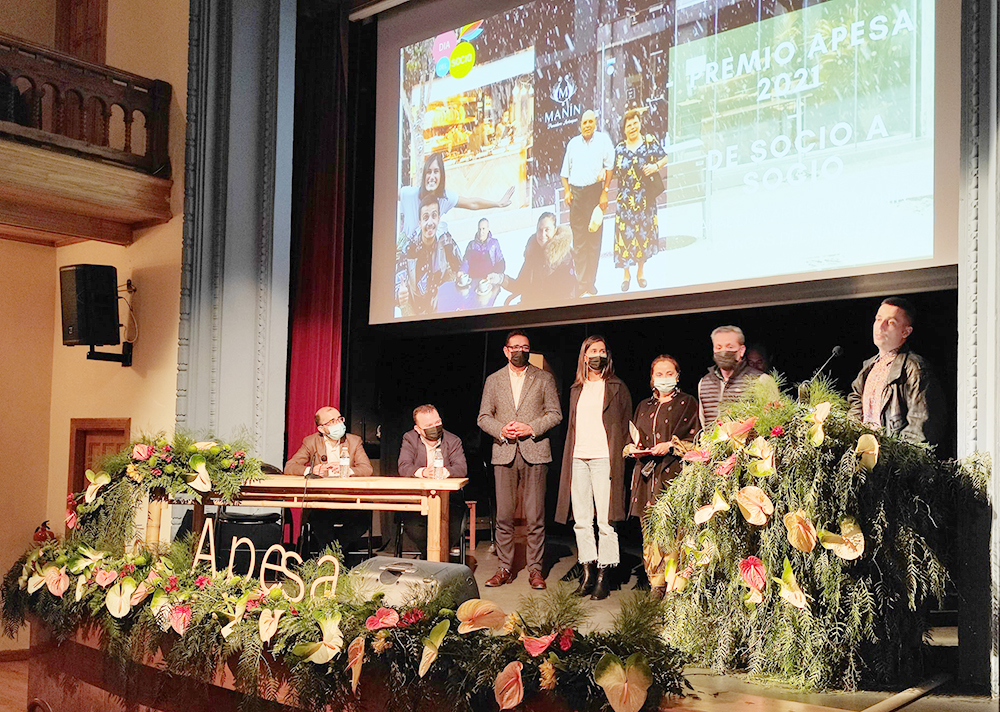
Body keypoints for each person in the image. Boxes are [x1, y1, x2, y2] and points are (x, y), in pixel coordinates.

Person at [477, 330, 563, 589]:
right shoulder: (494, 380)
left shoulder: (543, 378)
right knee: (504, 516)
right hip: (504, 452)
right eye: (514, 347)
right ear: (505, 351)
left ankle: (535, 570)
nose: (519, 351)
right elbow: (483, 417)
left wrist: (531, 427)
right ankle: (504, 567)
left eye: (524, 347)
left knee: (535, 515)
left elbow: (555, 414)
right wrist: (501, 429)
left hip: (535, 451)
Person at [555, 336, 632, 600]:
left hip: (604, 459)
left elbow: (624, 427)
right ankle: (587, 572)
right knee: (581, 521)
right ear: (584, 356)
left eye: (601, 351)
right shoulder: (577, 388)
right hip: (578, 458)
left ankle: (604, 575)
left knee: (606, 521)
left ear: (607, 356)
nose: (597, 355)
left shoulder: (617, 387)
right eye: (592, 351)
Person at [625, 355, 699, 600]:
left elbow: (697, 440)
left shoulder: (688, 403)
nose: (664, 378)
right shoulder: (644, 406)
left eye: (669, 374)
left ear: (677, 376)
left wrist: (671, 445)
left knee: (675, 531)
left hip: (674, 473)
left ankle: (674, 586)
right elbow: (635, 436)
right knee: (651, 532)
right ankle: (655, 583)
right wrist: (633, 449)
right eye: (659, 374)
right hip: (647, 476)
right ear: (651, 378)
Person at [847, 297, 945, 446]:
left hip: (893, 461)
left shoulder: (914, 368)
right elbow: (855, 409)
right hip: (864, 459)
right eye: (878, 319)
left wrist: (895, 460)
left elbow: (921, 427)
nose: (880, 326)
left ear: (906, 331)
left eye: (891, 322)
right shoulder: (868, 368)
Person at [284, 406, 374, 555]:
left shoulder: (354, 441)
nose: (338, 423)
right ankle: (333, 559)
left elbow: (367, 469)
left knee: (361, 522)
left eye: (339, 419)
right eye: (332, 421)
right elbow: (290, 467)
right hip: (323, 501)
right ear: (321, 428)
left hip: (349, 501)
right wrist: (311, 470)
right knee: (319, 521)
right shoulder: (311, 442)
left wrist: (347, 470)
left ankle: (331, 555)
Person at [397, 404, 469, 557]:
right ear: (418, 429)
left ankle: (434, 561)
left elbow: (461, 469)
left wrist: (445, 471)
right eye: (429, 426)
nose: (435, 428)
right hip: (418, 500)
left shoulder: (453, 441)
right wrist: (423, 472)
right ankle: (431, 558)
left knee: (450, 530)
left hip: (450, 502)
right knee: (416, 529)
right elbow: (404, 467)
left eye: (437, 423)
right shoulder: (409, 438)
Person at [398, 152, 514, 240]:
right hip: (408, 258)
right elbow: (385, 195)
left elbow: (472, 203)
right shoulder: (409, 194)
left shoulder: (444, 198)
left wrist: (497, 203)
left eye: (436, 171)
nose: (432, 176)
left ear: (441, 175)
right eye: (429, 172)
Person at [612, 108, 667, 292]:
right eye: (629, 125)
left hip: (645, 199)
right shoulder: (619, 149)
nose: (632, 127)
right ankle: (626, 274)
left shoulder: (649, 142)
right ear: (624, 129)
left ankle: (640, 272)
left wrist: (655, 166)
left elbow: (664, 156)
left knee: (643, 235)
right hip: (625, 201)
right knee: (625, 237)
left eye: (635, 123)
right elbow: (610, 171)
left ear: (640, 124)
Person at [560, 110, 614, 296]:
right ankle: (582, 283)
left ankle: (591, 282)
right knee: (580, 241)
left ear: (595, 123)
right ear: (580, 125)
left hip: (594, 194)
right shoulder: (573, 144)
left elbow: (610, 167)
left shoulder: (603, 141)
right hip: (576, 196)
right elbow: (564, 174)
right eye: (584, 122)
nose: (587, 125)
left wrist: (605, 192)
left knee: (594, 241)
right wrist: (567, 191)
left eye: (591, 121)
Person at [396, 194, 462, 314]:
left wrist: (459, 275)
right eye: (426, 218)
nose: (430, 222)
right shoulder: (409, 248)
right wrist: (399, 293)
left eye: (434, 216)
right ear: (420, 223)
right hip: (416, 306)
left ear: (438, 219)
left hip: (440, 301)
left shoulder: (445, 240)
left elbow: (460, 266)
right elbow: (398, 281)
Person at [697, 325, 764, 429]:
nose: (723, 351)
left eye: (730, 347)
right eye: (718, 347)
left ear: (741, 350)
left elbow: (771, 421)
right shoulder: (705, 383)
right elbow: (703, 422)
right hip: (713, 444)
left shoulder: (759, 380)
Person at [505, 213, 576, 307]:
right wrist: (501, 279)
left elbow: (569, 294)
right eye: (540, 230)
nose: (542, 234)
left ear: (555, 231)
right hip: (529, 309)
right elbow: (520, 285)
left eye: (547, 230)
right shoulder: (532, 253)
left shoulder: (564, 257)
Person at [460, 218, 506, 282]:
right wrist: (462, 271)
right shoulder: (471, 245)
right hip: (474, 279)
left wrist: (496, 275)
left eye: (483, 229)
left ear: (488, 229)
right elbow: (466, 262)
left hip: (489, 280)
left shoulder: (494, 243)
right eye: (479, 229)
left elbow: (500, 262)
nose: (481, 232)